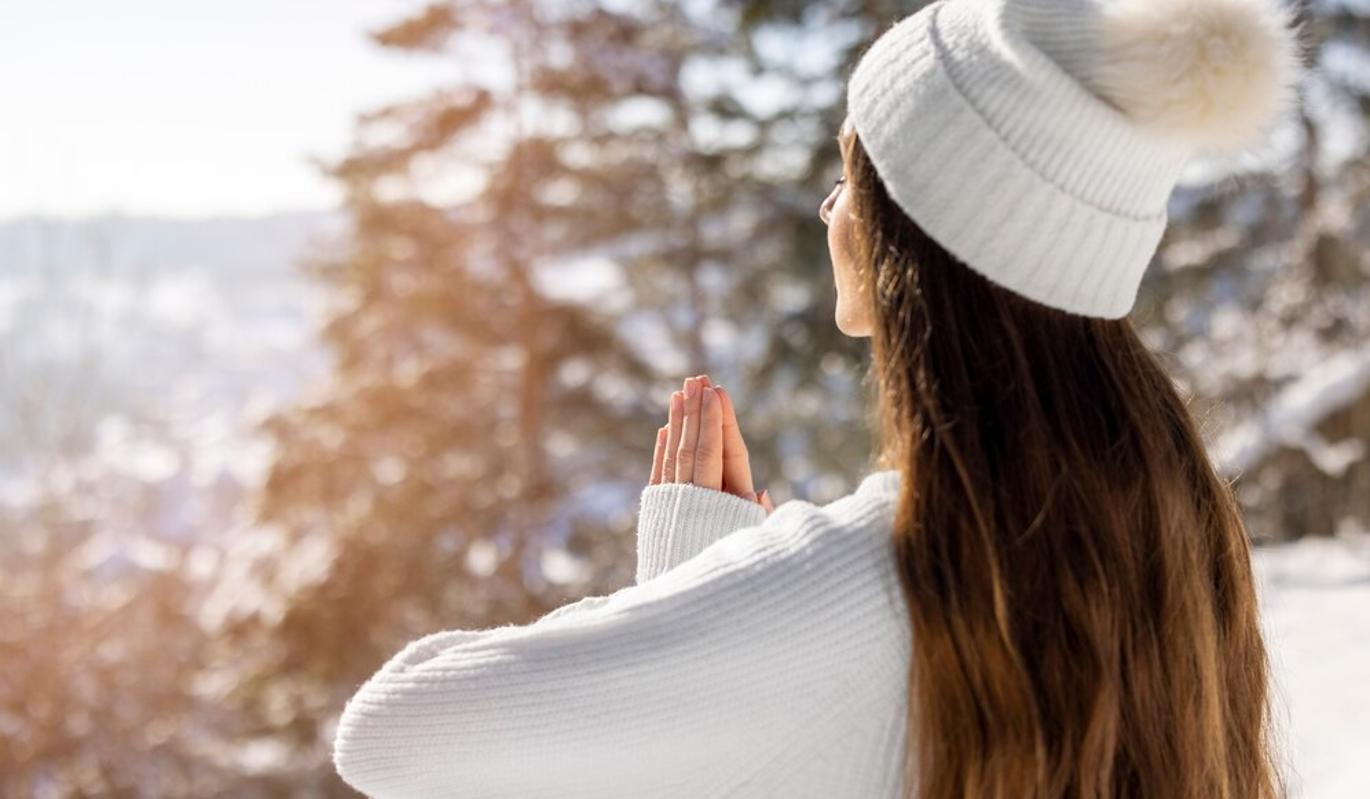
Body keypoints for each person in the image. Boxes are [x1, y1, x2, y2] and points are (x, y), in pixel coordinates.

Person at [332, 0, 1305, 796]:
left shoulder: (865, 575)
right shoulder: (1174, 536)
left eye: (850, 176)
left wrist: (696, 594)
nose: (830, 208)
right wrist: (715, 612)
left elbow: (393, 732)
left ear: (912, 237)